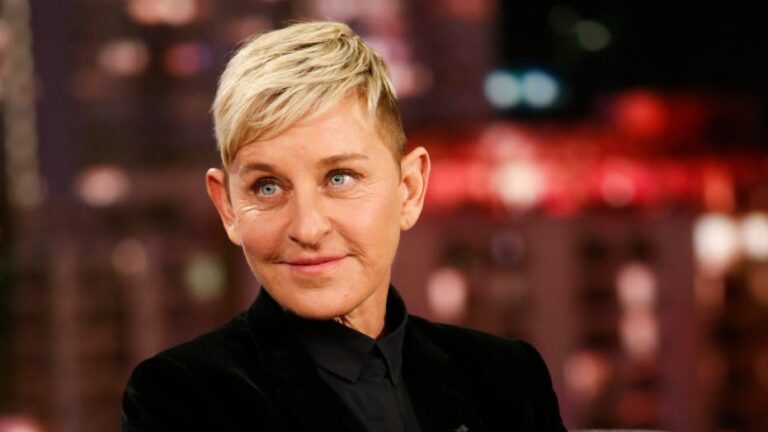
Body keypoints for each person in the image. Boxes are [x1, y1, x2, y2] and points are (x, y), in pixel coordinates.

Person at [122, 21, 567, 432]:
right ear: (228, 208)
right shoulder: (181, 399)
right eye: (267, 187)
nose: (307, 228)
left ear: (409, 189)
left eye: (340, 178)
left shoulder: (507, 378)